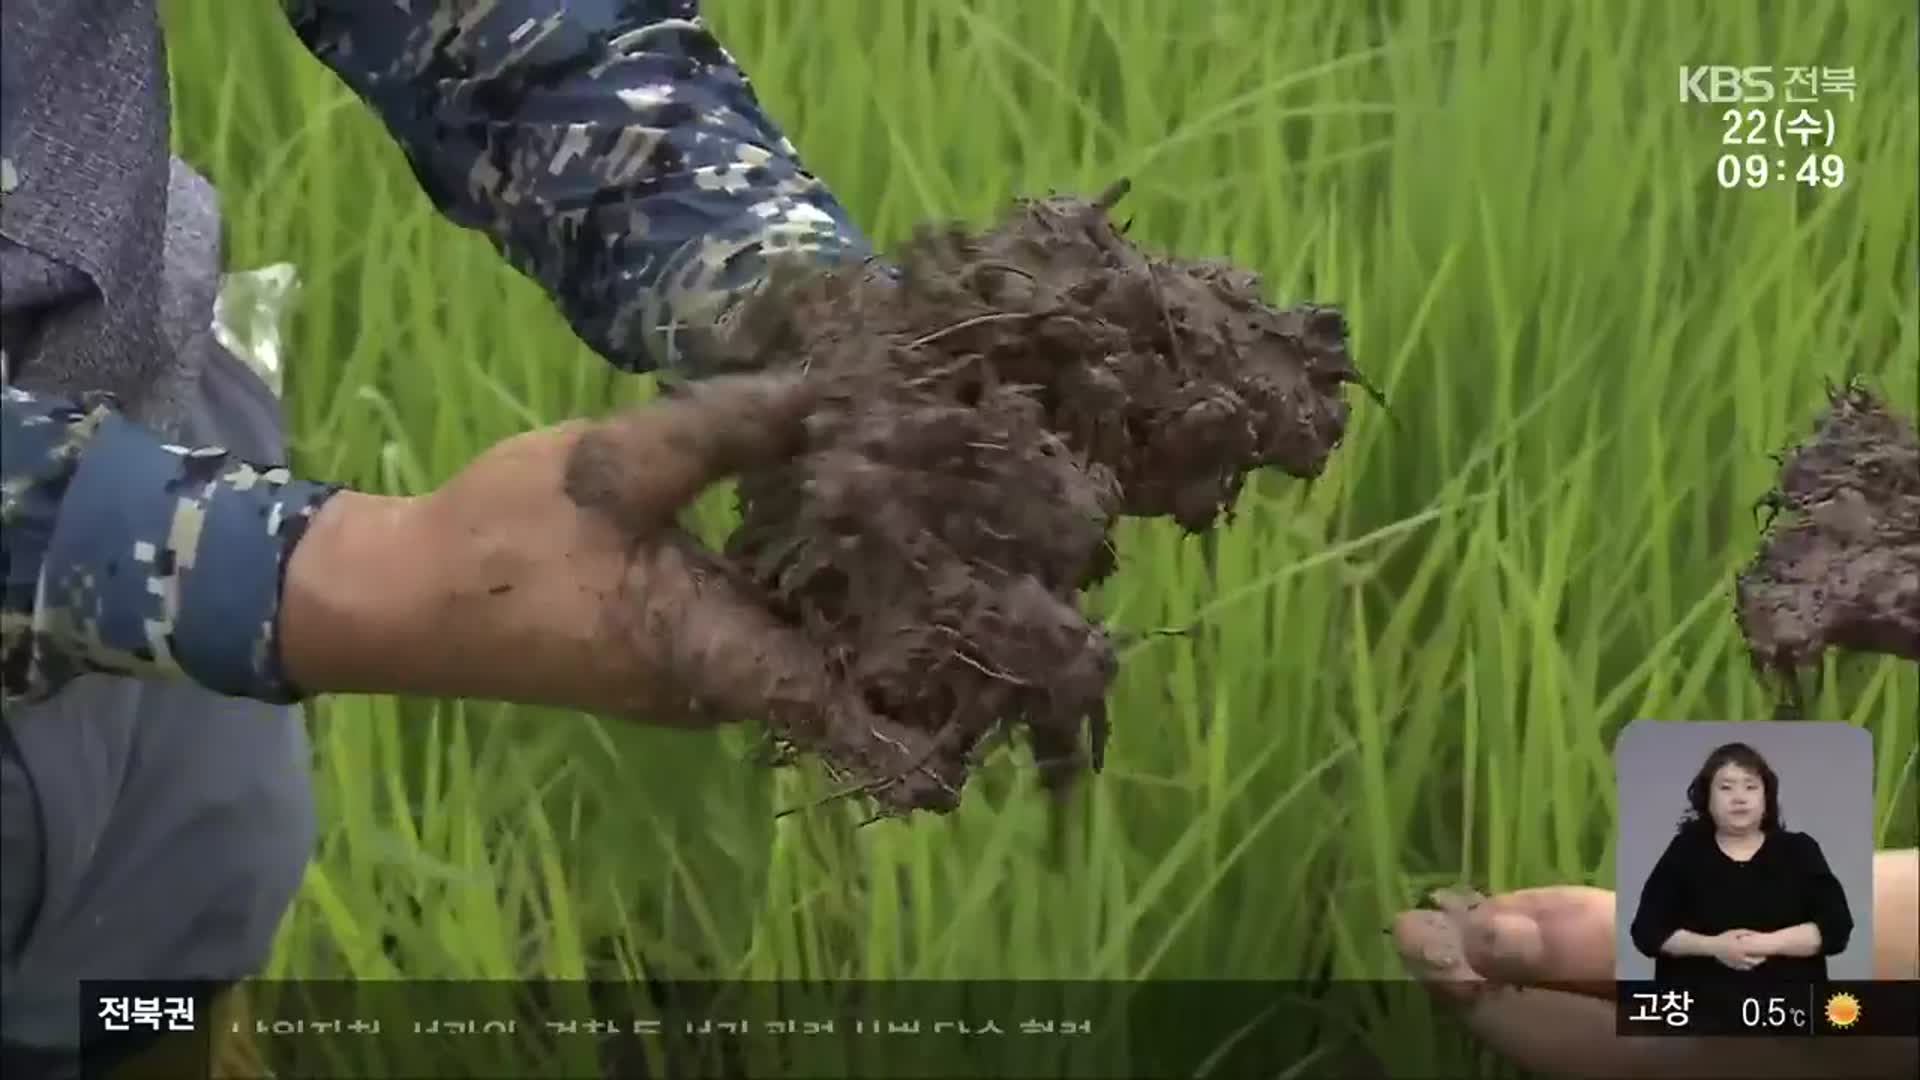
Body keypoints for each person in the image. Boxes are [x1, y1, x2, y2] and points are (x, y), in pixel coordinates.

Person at [1, 0, 889, 1072]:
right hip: (206, 564)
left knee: (144, 1006)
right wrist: (354, 574)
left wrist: (759, 274)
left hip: (155, 445)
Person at [1625, 741, 1854, 983]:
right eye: (1726, 788)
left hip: (1790, 1010)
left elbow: (1836, 927)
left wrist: (1762, 944)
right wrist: (1715, 947)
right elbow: (1647, 932)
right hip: (1699, 1011)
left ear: (1767, 798)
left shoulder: (1800, 850)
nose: (1739, 798)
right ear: (1707, 799)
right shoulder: (1685, 852)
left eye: (1751, 787)